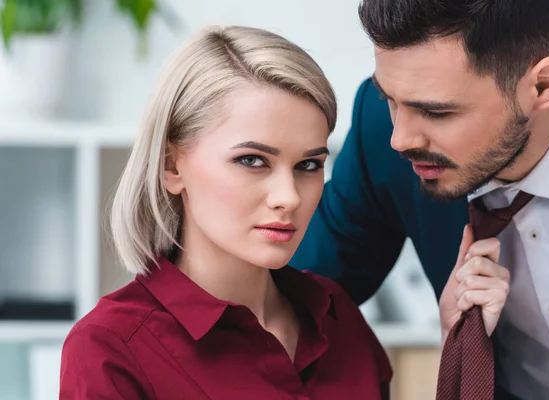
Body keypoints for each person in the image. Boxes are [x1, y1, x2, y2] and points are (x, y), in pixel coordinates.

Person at [59, 25, 393, 400]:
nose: (289, 198)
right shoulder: (111, 349)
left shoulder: (339, 316)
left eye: (309, 165)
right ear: (172, 166)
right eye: (253, 160)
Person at [290, 0, 549, 399]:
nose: (400, 139)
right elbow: (294, 297)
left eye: (436, 112)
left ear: (542, 86)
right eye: (390, 99)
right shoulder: (380, 134)